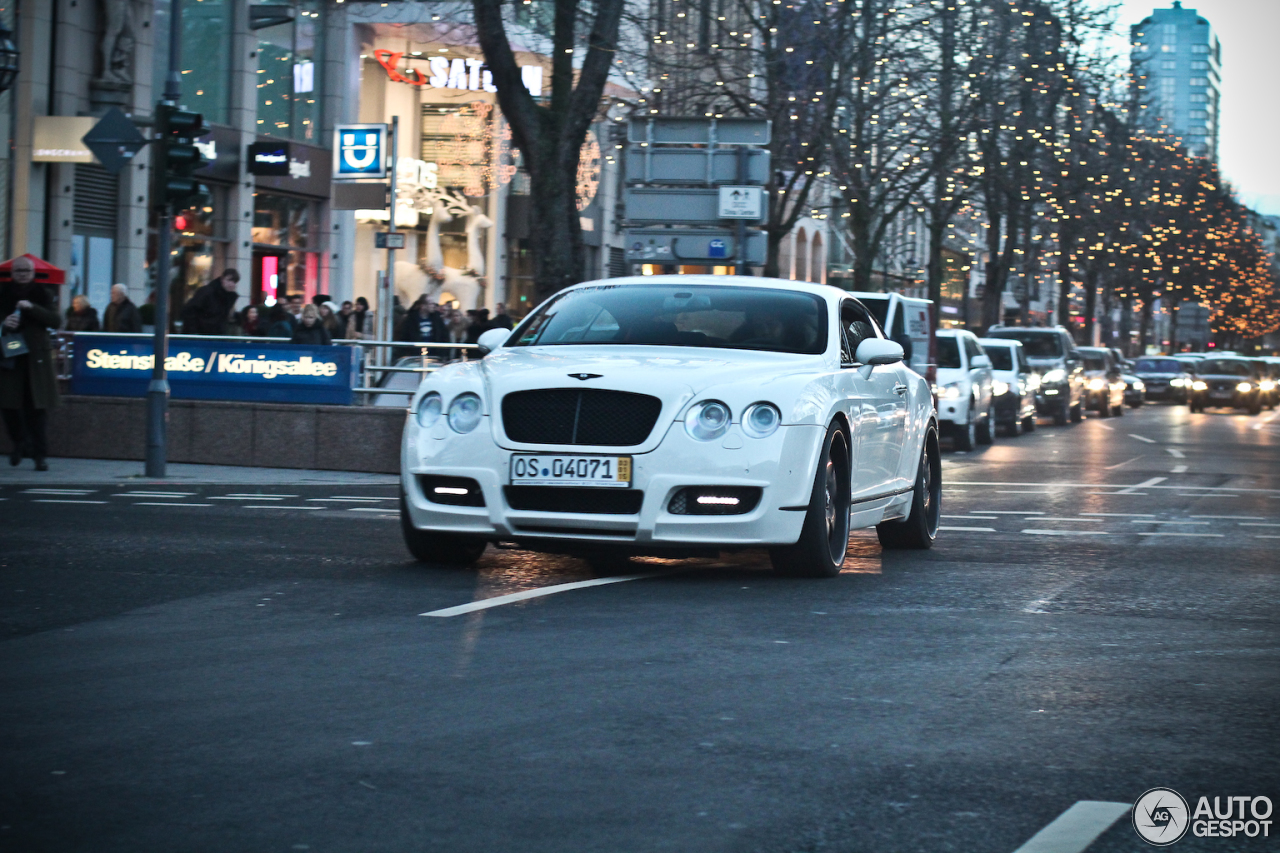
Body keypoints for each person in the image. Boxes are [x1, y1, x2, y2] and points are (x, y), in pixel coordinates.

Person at [1, 256, 60, 470]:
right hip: (12, 356)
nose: (23, 274)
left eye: (26, 271)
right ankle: (20, 444)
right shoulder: (3, 293)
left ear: (33, 273)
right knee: (9, 407)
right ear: (13, 273)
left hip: (36, 360)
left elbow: (55, 320)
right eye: (19, 271)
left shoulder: (43, 294)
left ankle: (39, 455)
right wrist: (4, 323)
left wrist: (32, 308)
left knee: (36, 409)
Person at [181, 269, 240, 335]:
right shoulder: (207, 292)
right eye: (229, 280)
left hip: (215, 335)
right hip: (200, 334)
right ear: (222, 279)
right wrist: (194, 332)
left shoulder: (230, 297)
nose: (231, 284)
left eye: (234, 282)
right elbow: (189, 310)